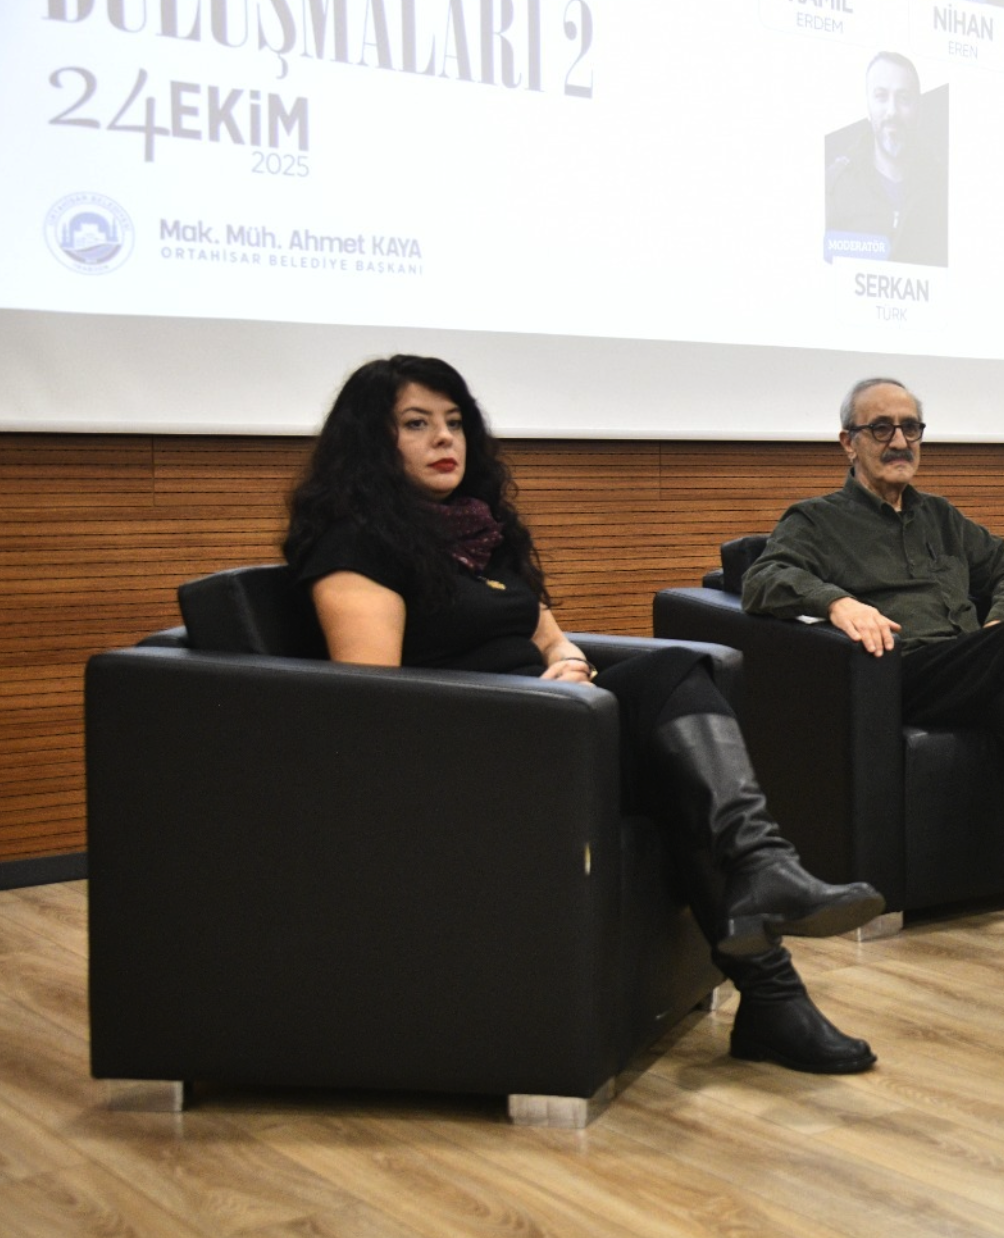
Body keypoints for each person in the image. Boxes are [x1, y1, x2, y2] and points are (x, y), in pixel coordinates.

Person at [283, 355, 883, 1075]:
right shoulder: (356, 548)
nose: (444, 439)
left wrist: (568, 670)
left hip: (553, 730)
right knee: (669, 676)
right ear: (370, 444)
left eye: (455, 423)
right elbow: (375, 702)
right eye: (417, 424)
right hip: (463, 751)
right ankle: (766, 885)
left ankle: (773, 993)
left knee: (683, 755)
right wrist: (543, 697)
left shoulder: (478, 535)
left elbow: (552, 638)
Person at [740, 377, 1004, 951]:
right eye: (881, 429)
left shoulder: (940, 517)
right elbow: (761, 580)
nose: (899, 442)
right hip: (895, 676)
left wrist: (1000, 621)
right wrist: (836, 602)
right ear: (848, 442)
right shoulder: (817, 520)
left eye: (910, 428)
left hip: (967, 667)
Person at [825, 52, 948, 265]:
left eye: (904, 99)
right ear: (867, 107)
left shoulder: (942, 186)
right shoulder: (836, 185)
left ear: (918, 110)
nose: (892, 111)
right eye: (881, 97)